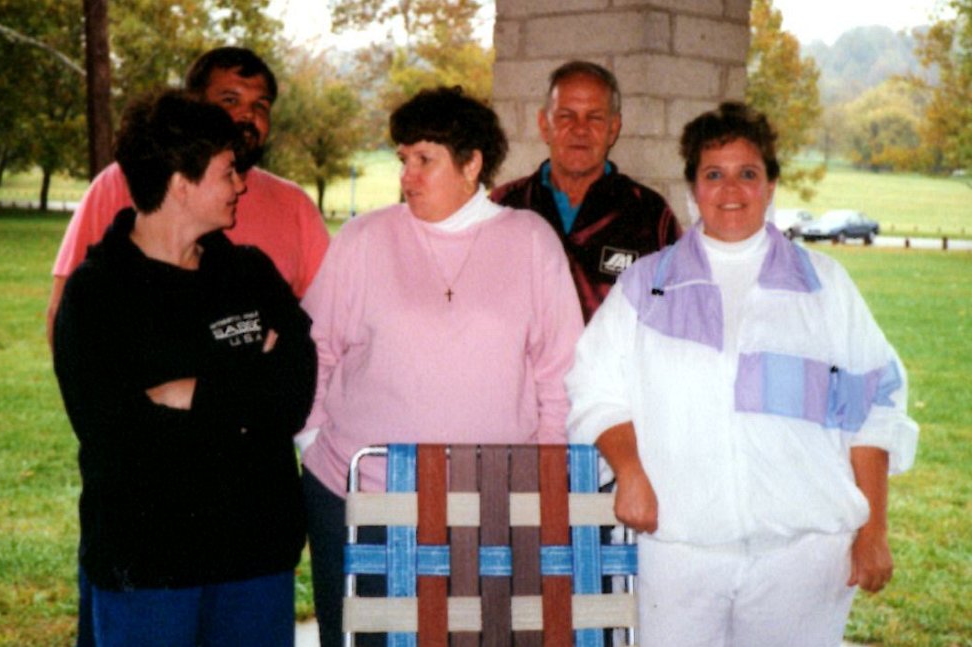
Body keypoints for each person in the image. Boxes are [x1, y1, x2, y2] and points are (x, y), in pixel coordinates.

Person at [565, 102, 918, 646]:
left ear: (770, 184)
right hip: (679, 551)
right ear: (693, 187)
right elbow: (593, 388)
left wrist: (873, 531)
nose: (731, 189)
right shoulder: (646, 286)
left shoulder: (824, 286)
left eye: (747, 173)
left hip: (802, 557)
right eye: (714, 174)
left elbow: (874, 408)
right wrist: (629, 471)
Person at [298, 86, 584, 646]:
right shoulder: (363, 238)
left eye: (424, 159)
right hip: (363, 497)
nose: (407, 176)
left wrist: (542, 482)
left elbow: (559, 374)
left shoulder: (530, 241)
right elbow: (316, 349)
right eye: (403, 159)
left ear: (471, 164)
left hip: (492, 505)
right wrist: (312, 444)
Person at [52, 90, 317, 647]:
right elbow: (117, 436)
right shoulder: (97, 294)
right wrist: (245, 403)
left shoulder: (250, 273)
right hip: (149, 569)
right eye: (227, 172)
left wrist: (190, 394)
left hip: (256, 562)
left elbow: (291, 395)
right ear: (180, 183)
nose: (241, 185)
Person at [46, 46, 329, 345]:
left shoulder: (294, 206)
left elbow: (324, 329)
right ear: (193, 106)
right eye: (230, 100)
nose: (249, 115)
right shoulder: (120, 182)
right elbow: (66, 318)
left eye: (261, 105)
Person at [491, 60, 681, 321]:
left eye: (595, 117)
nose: (580, 129)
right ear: (544, 125)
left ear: (613, 129)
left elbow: (674, 306)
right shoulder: (504, 206)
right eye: (566, 116)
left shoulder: (649, 214)